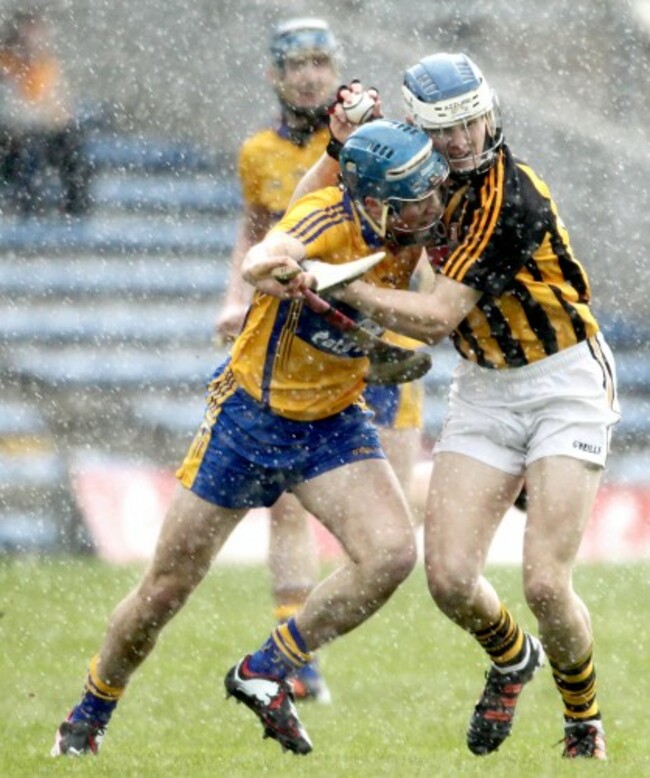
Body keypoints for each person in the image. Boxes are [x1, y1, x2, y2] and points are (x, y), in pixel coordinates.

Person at [51, 118, 450, 757]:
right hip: (248, 421)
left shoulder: (422, 233)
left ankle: (265, 668)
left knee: (391, 554)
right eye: (416, 199)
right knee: (165, 589)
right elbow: (269, 250)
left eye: (432, 193)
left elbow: (433, 319)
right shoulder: (326, 215)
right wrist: (275, 268)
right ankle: (87, 715)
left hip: (332, 424)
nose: (431, 207)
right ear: (374, 200)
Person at [329, 54, 619, 761]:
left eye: (472, 123)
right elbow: (354, 183)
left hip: (563, 383)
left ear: (490, 113)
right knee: (450, 579)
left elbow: (435, 317)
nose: (462, 140)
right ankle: (514, 658)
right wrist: (344, 143)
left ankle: (583, 722)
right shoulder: (418, 173)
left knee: (545, 583)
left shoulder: (511, 196)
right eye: (446, 130)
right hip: (486, 388)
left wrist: (344, 288)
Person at [214, 17, 430, 701]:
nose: (308, 76)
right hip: (305, 351)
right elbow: (256, 230)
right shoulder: (258, 153)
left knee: (398, 507)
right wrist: (235, 299)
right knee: (287, 502)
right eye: (295, 64)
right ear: (274, 75)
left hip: (376, 346)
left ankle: (493, 485)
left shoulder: (373, 142)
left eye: (319, 62)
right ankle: (296, 661)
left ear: (337, 69)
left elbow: (417, 235)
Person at [0, 7, 92, 216]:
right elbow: (10, 111)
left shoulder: (46, 68)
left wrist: (55, 120)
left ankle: (75, 208)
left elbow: (59, 108)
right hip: (10, 139)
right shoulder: (5, 65)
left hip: (42, 134)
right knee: (28, 149)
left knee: (71, 144)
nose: (34, 41)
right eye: (29, 34)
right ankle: (28, 206)